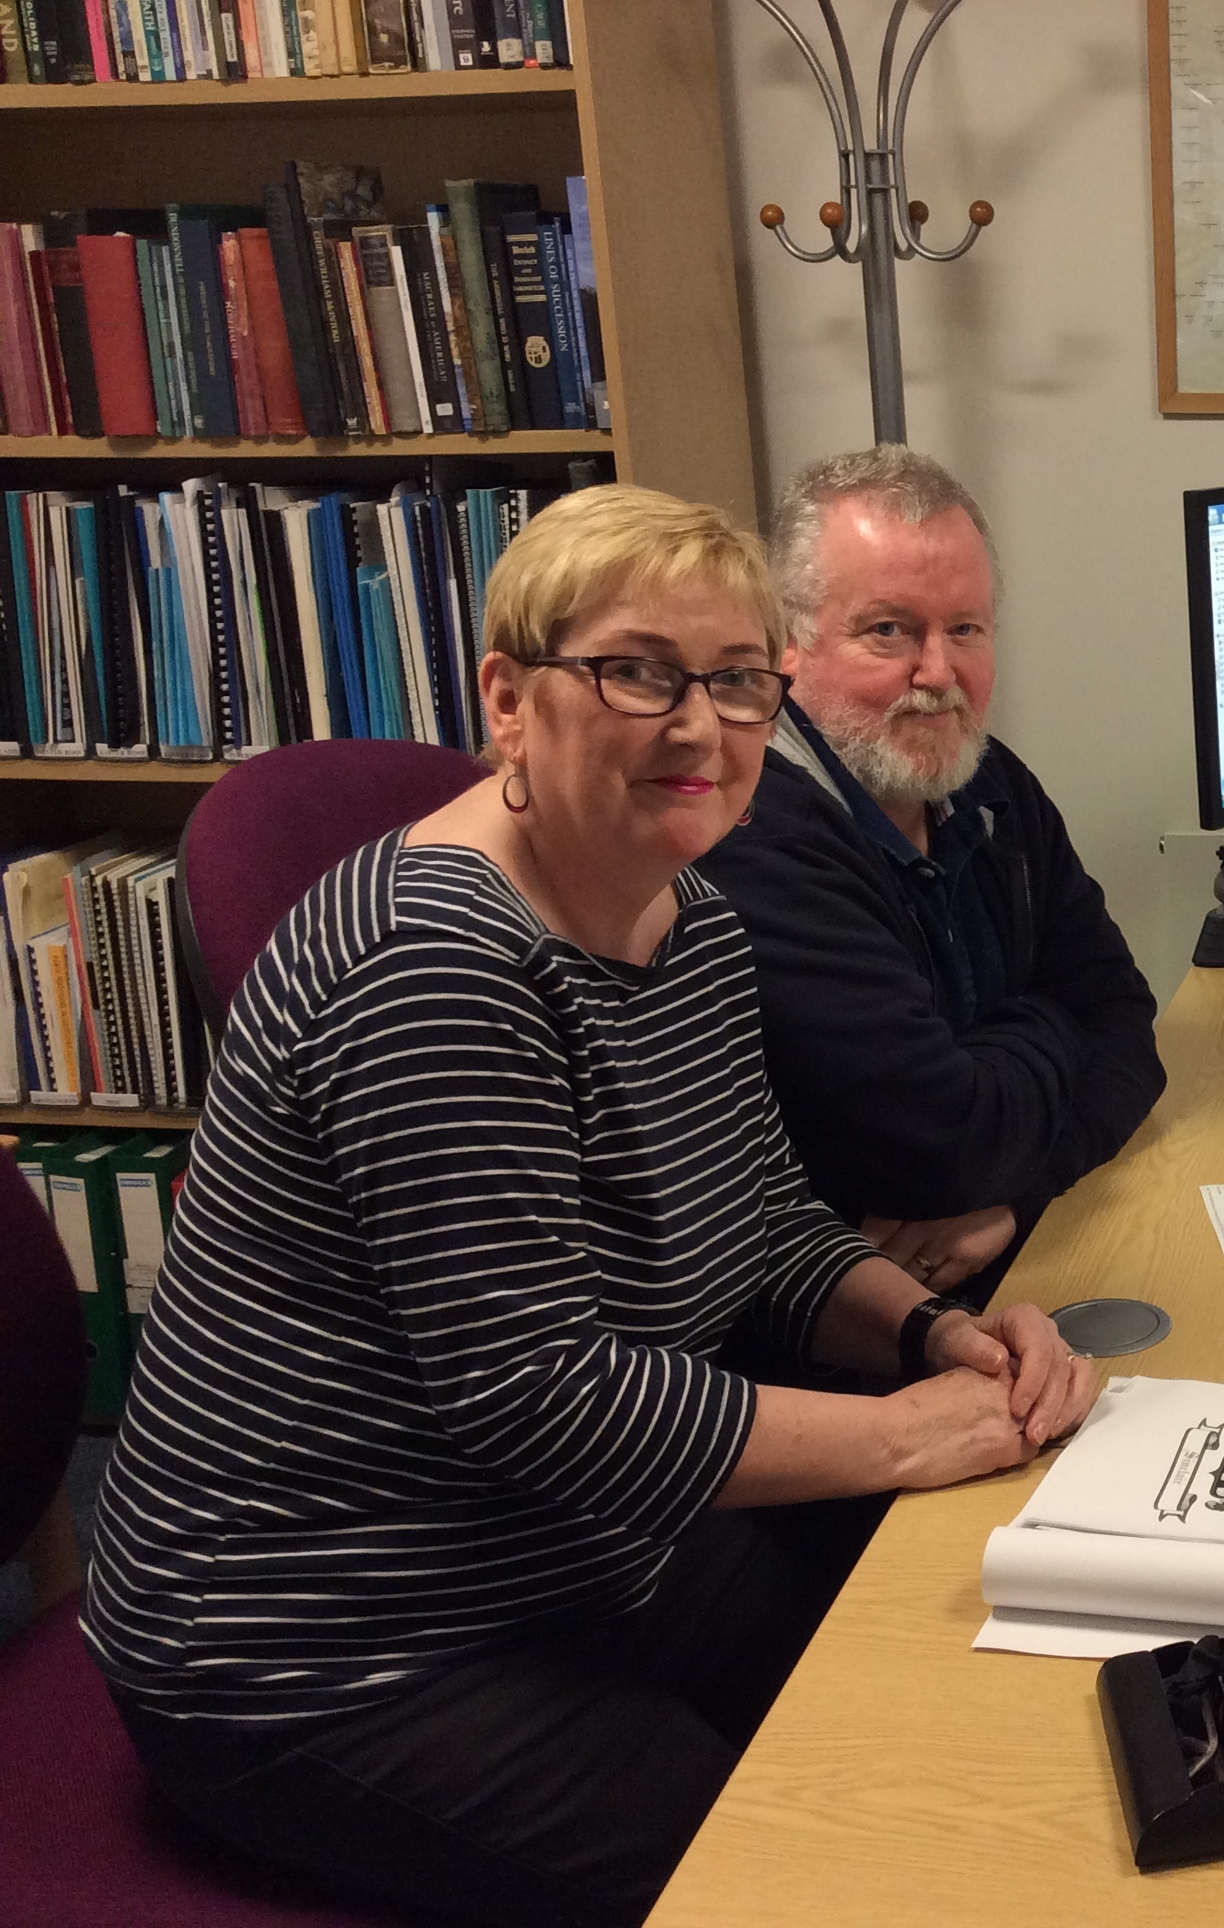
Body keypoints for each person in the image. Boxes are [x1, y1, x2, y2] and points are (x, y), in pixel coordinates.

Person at [82, 484, 1099, 1928]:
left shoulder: (689, 917)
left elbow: (763, 1223)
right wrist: (892, 1437)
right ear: (509, 698)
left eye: (739, 682)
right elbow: (538, 1394)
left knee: (932, 1710)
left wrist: (940, 1340)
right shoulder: (433, 965)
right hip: (328, 1642)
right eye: (638, 673)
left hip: (567, 1549)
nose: (700, 727)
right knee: (805, 1874)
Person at [695, 447, 1164, 1300]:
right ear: (786, 647)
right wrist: (1057, 1025)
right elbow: (940, 1149)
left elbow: (1129, 1029)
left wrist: (1017, 1197)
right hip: (837, 1333)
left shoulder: (989, 783)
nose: (939, 676)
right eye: (890, 630)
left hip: (1006, 1265)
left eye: (965, 630)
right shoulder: (748, 829)